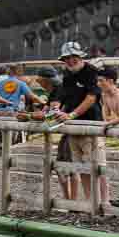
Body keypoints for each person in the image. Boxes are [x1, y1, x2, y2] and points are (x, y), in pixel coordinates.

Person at [53, 41, 104, 202]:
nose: (70, 60)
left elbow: (91, 98)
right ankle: (90, 202)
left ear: (80, 56)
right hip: (73, 128)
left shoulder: (91, 72)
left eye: (73, 57)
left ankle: (102, 203)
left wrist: (71, 115)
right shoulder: (67, 74)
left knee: (96, 167)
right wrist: (55, 110)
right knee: (81, 167)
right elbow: (62, 97)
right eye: (67, 58)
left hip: (91, 126)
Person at [37, 66, 76, 199]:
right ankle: (69, 199)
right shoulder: (56, 89)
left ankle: (72, 201)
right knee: (62, 166)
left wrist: (35, 116)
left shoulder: (59, 88)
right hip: (67, 130)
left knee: (68, 166)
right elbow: (46, 111)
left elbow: (51, 114)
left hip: (73, 130)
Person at [97, 68, 119, 209]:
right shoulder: (104, 95)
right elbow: (106, 115)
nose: (98, 83)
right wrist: (109, 122)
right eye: (98, 80)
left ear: (110, 81)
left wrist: (110, 123)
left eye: (101, 81)